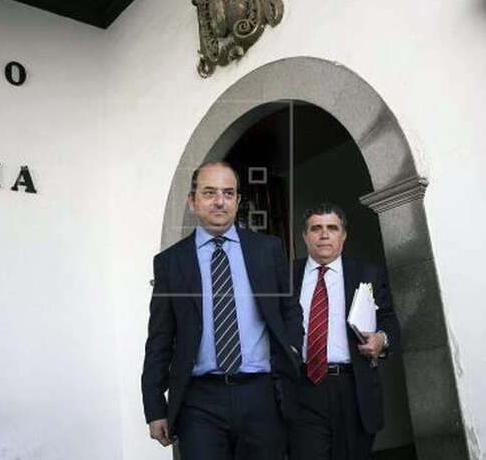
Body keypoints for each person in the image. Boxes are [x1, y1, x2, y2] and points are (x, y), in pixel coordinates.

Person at [141, 161, 303, 460]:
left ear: (238, 201)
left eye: (228, 193)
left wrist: (293, 348)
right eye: (209, 193)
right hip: (199, 402)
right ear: (193, 201)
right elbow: (160, 338)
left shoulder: (268, 249)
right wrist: (154, 407)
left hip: (262, 396)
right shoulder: (170, 262)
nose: (220, 201)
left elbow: (289, 308)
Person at [290, 203, 401, 460]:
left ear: (344, 235)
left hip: (354, 386)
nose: (324, 234)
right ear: (305, 236)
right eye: (316, 228)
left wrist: (381, 339)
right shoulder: (286, 276)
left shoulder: (367, 273)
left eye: (332, 228)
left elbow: (389, 320)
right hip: (303, 387)